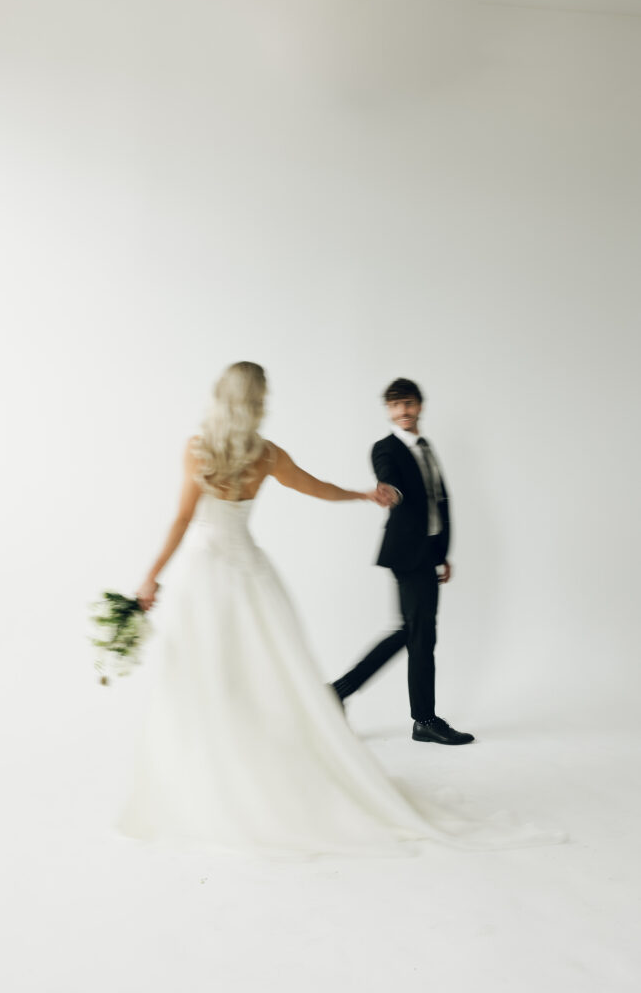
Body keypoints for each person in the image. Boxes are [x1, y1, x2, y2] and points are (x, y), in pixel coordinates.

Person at [117, 363, 556, 855]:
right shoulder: (265, 455)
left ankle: (208, 781)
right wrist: (362, 495)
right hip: (250, 576)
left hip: (204, 574)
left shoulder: (198, 448)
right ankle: (266, 767)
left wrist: (151, 575)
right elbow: (315, 487)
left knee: (206, 675)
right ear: (259, 402)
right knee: (263, 677)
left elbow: (181, 519)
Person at [331, 378, 474, 746]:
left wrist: (442, 553)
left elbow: (438, 501)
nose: (402, 412)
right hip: (406, 552)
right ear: (389, 411)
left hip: (427, 551)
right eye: (395, 406)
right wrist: (388, 491)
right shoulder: (386, 448)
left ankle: (340, 693)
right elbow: (389, 479)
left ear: (420, 406)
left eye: (408, 404)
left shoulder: (427, 448)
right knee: (419, 633)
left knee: (415, 632)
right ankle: (421, 718)